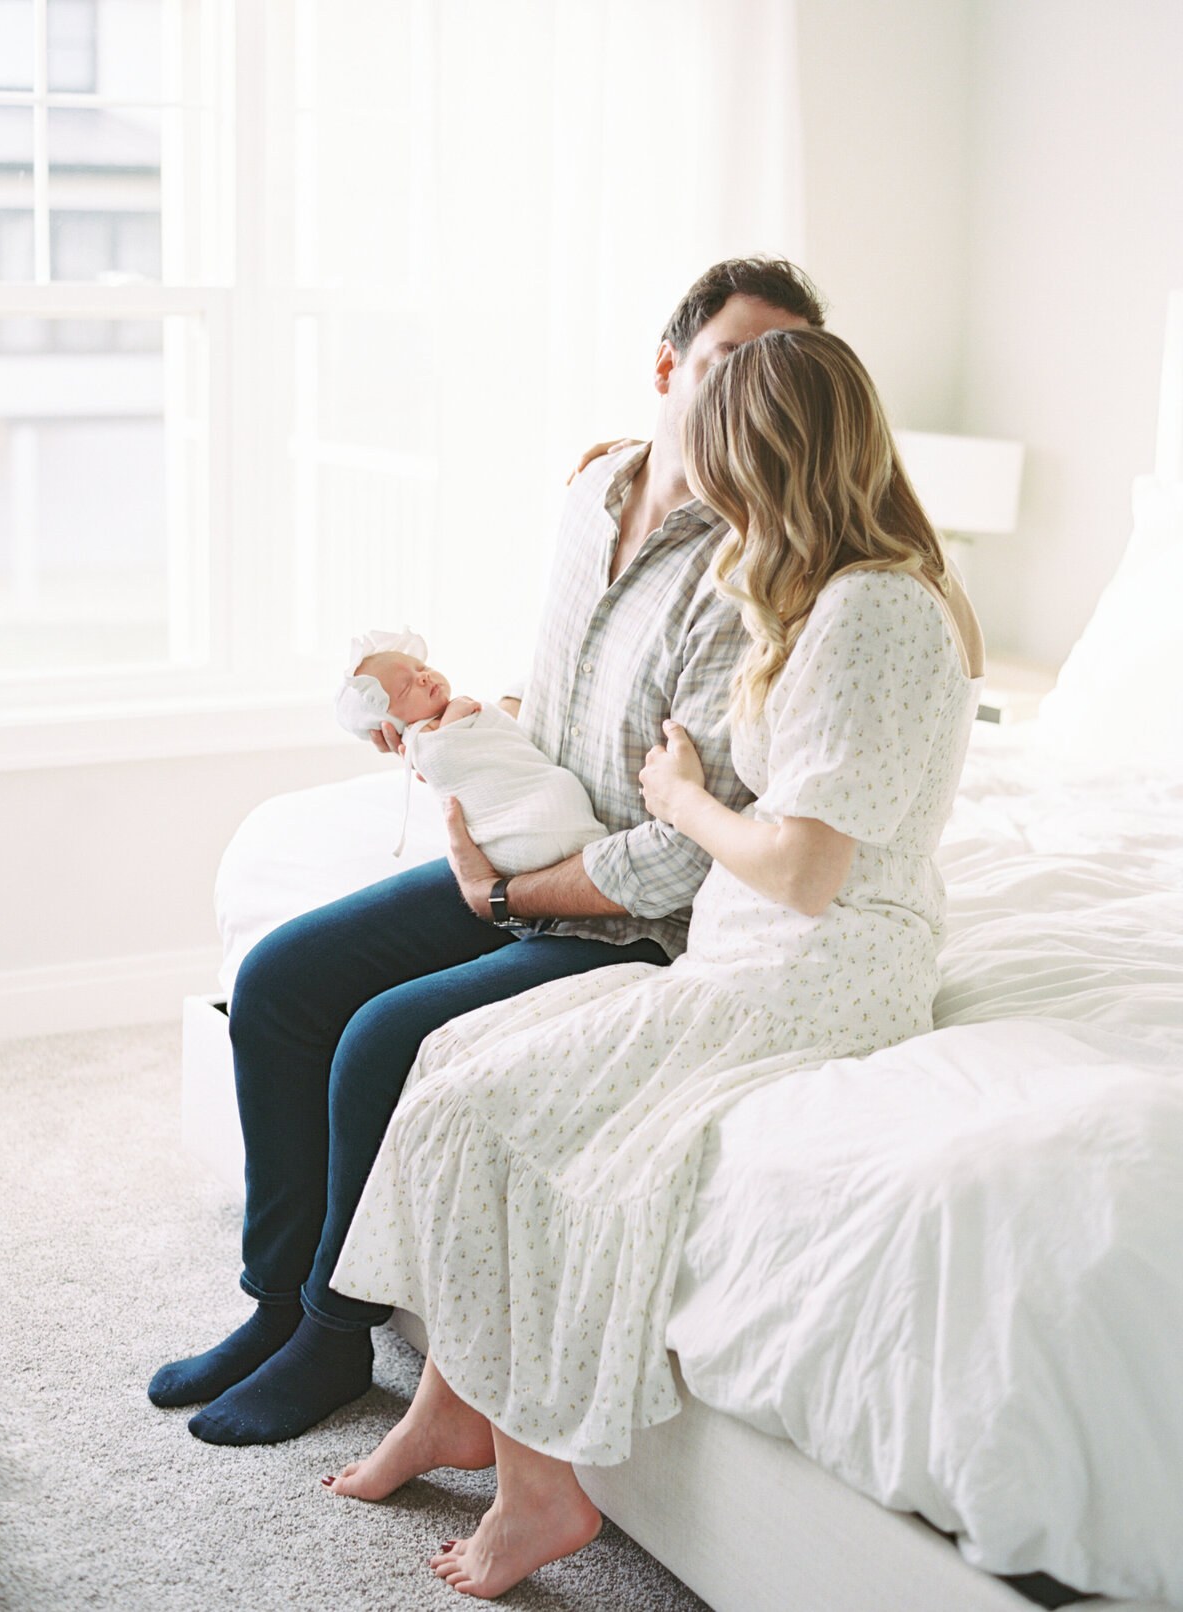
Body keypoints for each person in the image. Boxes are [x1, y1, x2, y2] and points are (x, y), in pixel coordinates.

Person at [320, 327, 984, 1599]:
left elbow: (802, 868)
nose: (703, 490)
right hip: (755, 950)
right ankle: (455, 1411)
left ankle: (539, 1488)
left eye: (717, 461)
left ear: (771, 460)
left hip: (812, 967)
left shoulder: (876, 610)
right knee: (454, 1059)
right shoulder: (830, 589)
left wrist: (677, 798)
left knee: (496, 1116)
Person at [146, 255, 827, 1445]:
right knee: (280, 983)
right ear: (669, 369)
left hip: (626, 915)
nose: (743, 402)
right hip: (516, 853)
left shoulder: (750, 574)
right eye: (726, 365)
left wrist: (509, 887)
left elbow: (677, 860)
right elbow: (564, 696)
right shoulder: (594, 489)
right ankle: (270, 1300)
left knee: (380, 1041)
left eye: (777, 375)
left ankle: (328, 1330)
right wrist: (463, 740)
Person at [334, 629, 608, 871]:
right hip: (510, 824)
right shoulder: (422, 739)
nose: (423, 678)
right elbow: (443, 755)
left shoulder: (453, 714)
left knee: (560, 784)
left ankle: (575, 836)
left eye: (421, 667)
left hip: (539, 790)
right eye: (406, 688)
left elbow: (506, 750)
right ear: (391, 721)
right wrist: (454, 717)